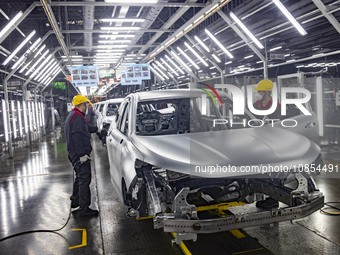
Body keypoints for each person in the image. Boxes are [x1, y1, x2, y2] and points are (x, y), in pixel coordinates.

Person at [64, 94, 99, 218]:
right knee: (85, 179)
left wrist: (96, 129)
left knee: (80, 178)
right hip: (79, 155)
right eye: (85, 104)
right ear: (81, 104)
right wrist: (82, 155)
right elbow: (77, 137)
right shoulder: (77, 117)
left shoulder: (75, 116)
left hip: (74, 154)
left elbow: (84, 129)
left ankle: (76, 200)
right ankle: (84, 209)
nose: (86, 107)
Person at [253, 79, 280, 209]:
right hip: (258, 142)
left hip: (273, 142)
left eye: (260, 91)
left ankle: (273, 198)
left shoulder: (277, 106)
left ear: (267, 92)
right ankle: (263, 194)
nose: (258, 93)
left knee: (273, 171)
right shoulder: (255, 104)